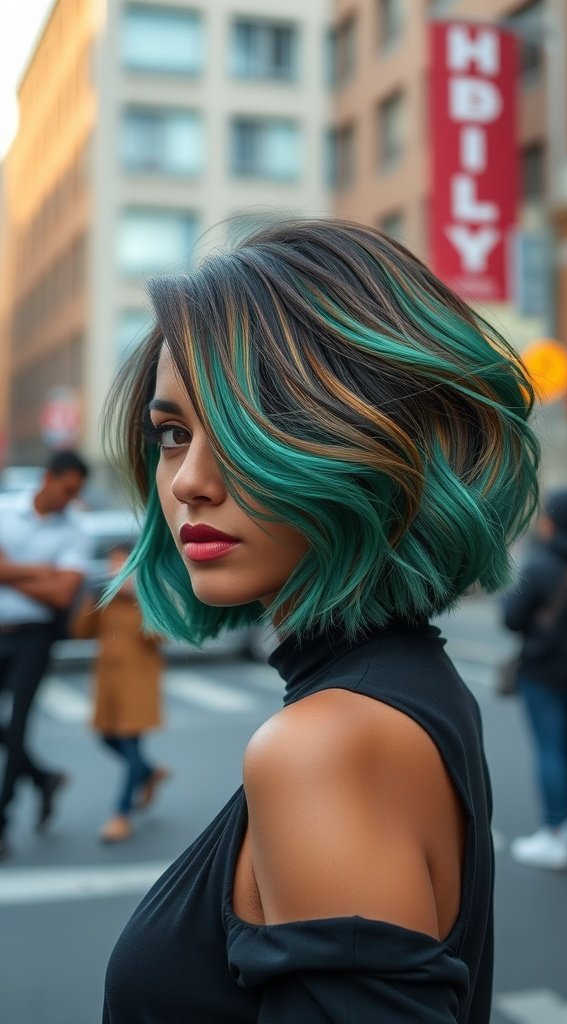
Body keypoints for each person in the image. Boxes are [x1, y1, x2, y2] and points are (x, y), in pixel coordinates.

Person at [101, 219, 539, 1023]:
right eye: (173, 434)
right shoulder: (409, 688)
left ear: (376, 440)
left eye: (244, 427)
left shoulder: (325, 745)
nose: (190, 481)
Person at [0, 449, 90, 859]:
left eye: (77, 493)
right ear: (48, 479)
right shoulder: (5, 509)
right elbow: (52, 582)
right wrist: (42, 570)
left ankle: (2, 823)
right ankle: (43, 778)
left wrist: (10, 571)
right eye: (67, 489)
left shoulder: (75, 529)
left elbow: (62, 593)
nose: (70, 499)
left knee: (18, 728)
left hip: (36, 638)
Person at [71, 543, 169, 843]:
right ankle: (150, 773)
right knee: (106, 738)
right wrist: (92, 597)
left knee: (130, 746)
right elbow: (80, 632)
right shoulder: (103, 597)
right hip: (108, 684)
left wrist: (140, 598)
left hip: (137, 684)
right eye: (113, 565)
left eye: (123, 565)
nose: (117, 572)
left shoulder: (149, 595)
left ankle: (121, 814)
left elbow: (160, 636)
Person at [503, 489, 567, 870]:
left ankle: (554, 832)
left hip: (545, 671)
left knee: (551, 750)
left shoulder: (541, 565)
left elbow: (512, 619)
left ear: (553, 522)